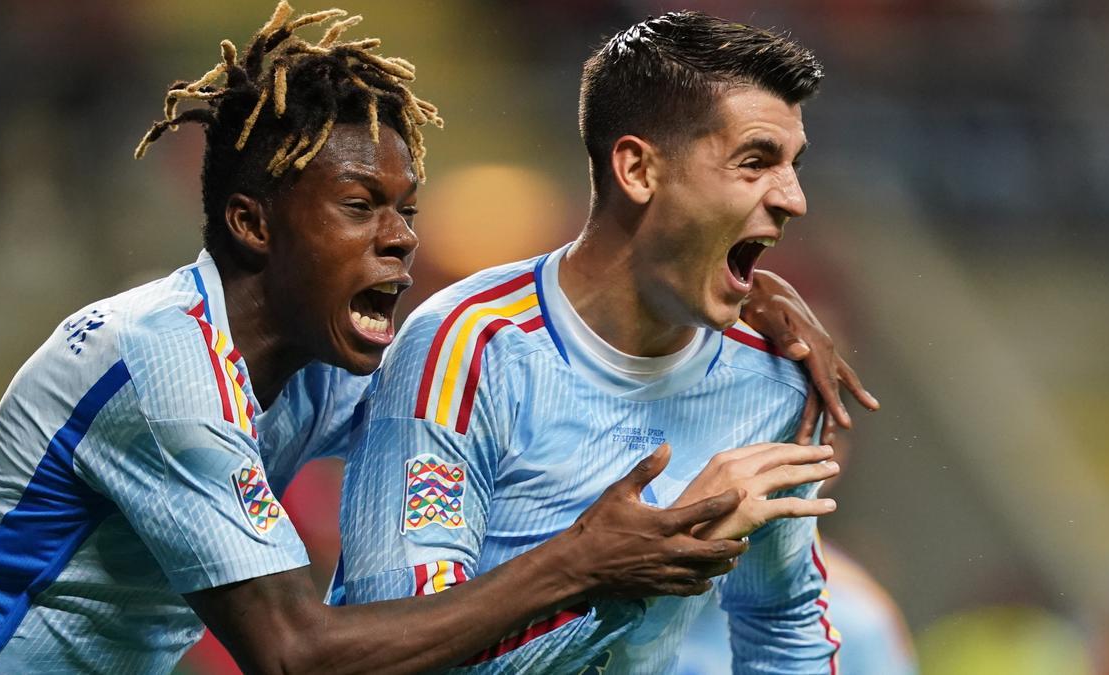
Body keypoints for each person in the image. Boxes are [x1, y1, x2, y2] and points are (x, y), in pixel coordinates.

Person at [0, 4, 870, 674]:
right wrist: (585, 563)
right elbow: (296, 654)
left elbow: (511, 356)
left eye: (406, 210)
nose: (400, 238)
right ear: (253, 223)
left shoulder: (320, 362)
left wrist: (739, 292)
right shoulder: (159, 363)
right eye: (361, 208)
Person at [337, 11, 871, 673]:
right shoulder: (466, 349)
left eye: (793, 165)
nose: (794, 198)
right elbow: (391, 653)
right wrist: (615, 576)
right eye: (755, 161)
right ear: (639, 169)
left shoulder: (770, 378)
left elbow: (780, 622)